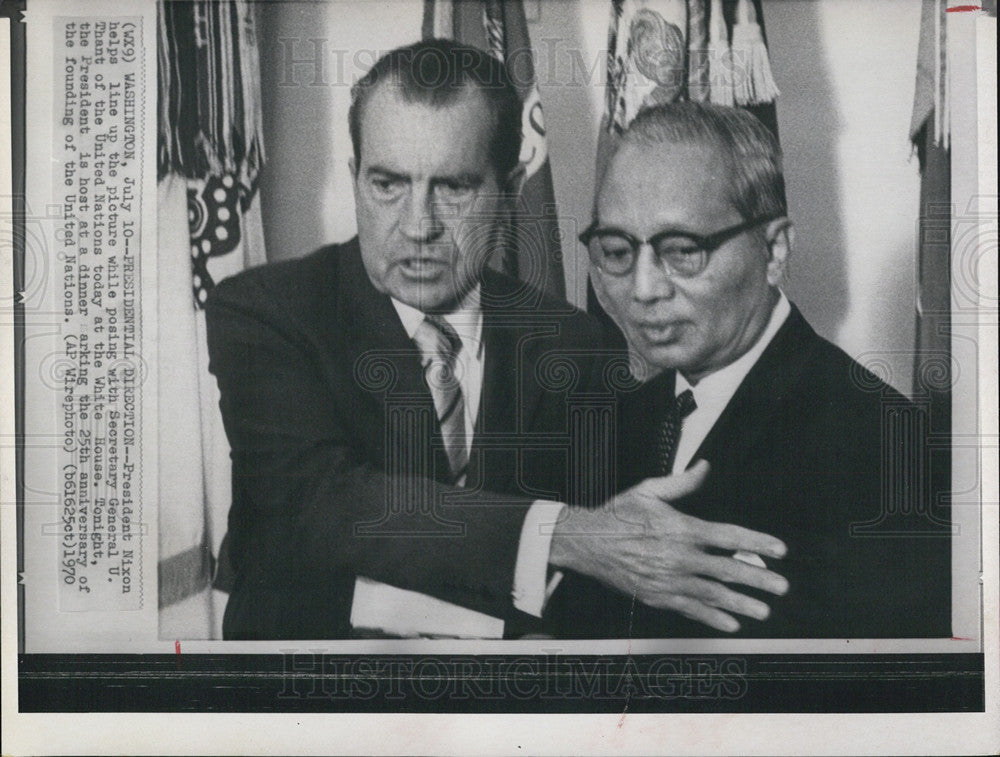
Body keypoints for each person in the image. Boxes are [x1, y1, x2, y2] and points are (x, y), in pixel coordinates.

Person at [205, 41, 789, 640]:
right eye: (387, 184)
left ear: (510, 189)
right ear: (354, 176)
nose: (417, 226)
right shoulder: (264, 313)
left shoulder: (578, 345)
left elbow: (608, 561)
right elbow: (320, 505)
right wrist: (561, 535)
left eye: (453, 187)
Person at [547, 102, 951, 638]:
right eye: (616, 250)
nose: (642, 290)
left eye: (683, 250)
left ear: (775, 249)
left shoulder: (887, 449)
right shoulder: (608, 424)